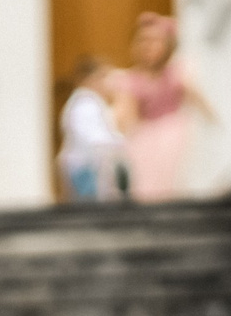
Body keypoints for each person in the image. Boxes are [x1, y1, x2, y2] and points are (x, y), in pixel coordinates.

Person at [122, 11, 216, 202]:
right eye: (143, 40)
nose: (148, 46)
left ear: (168, 46)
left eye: (155, 41)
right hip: (146, 136)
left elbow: (200, 103)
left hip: (174, 131)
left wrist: (214, 125)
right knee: (145, 178)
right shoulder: (131, 80)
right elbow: (126, 116)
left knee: (173, 173)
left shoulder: (176, 74)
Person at [59, 53, 129, 202]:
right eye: (103, 77)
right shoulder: (85, 103)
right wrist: (119, 143)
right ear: (90, 79)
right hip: (85, 166)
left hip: (90, 163)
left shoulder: (92, 102)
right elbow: (93, 137)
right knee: (88, 206)